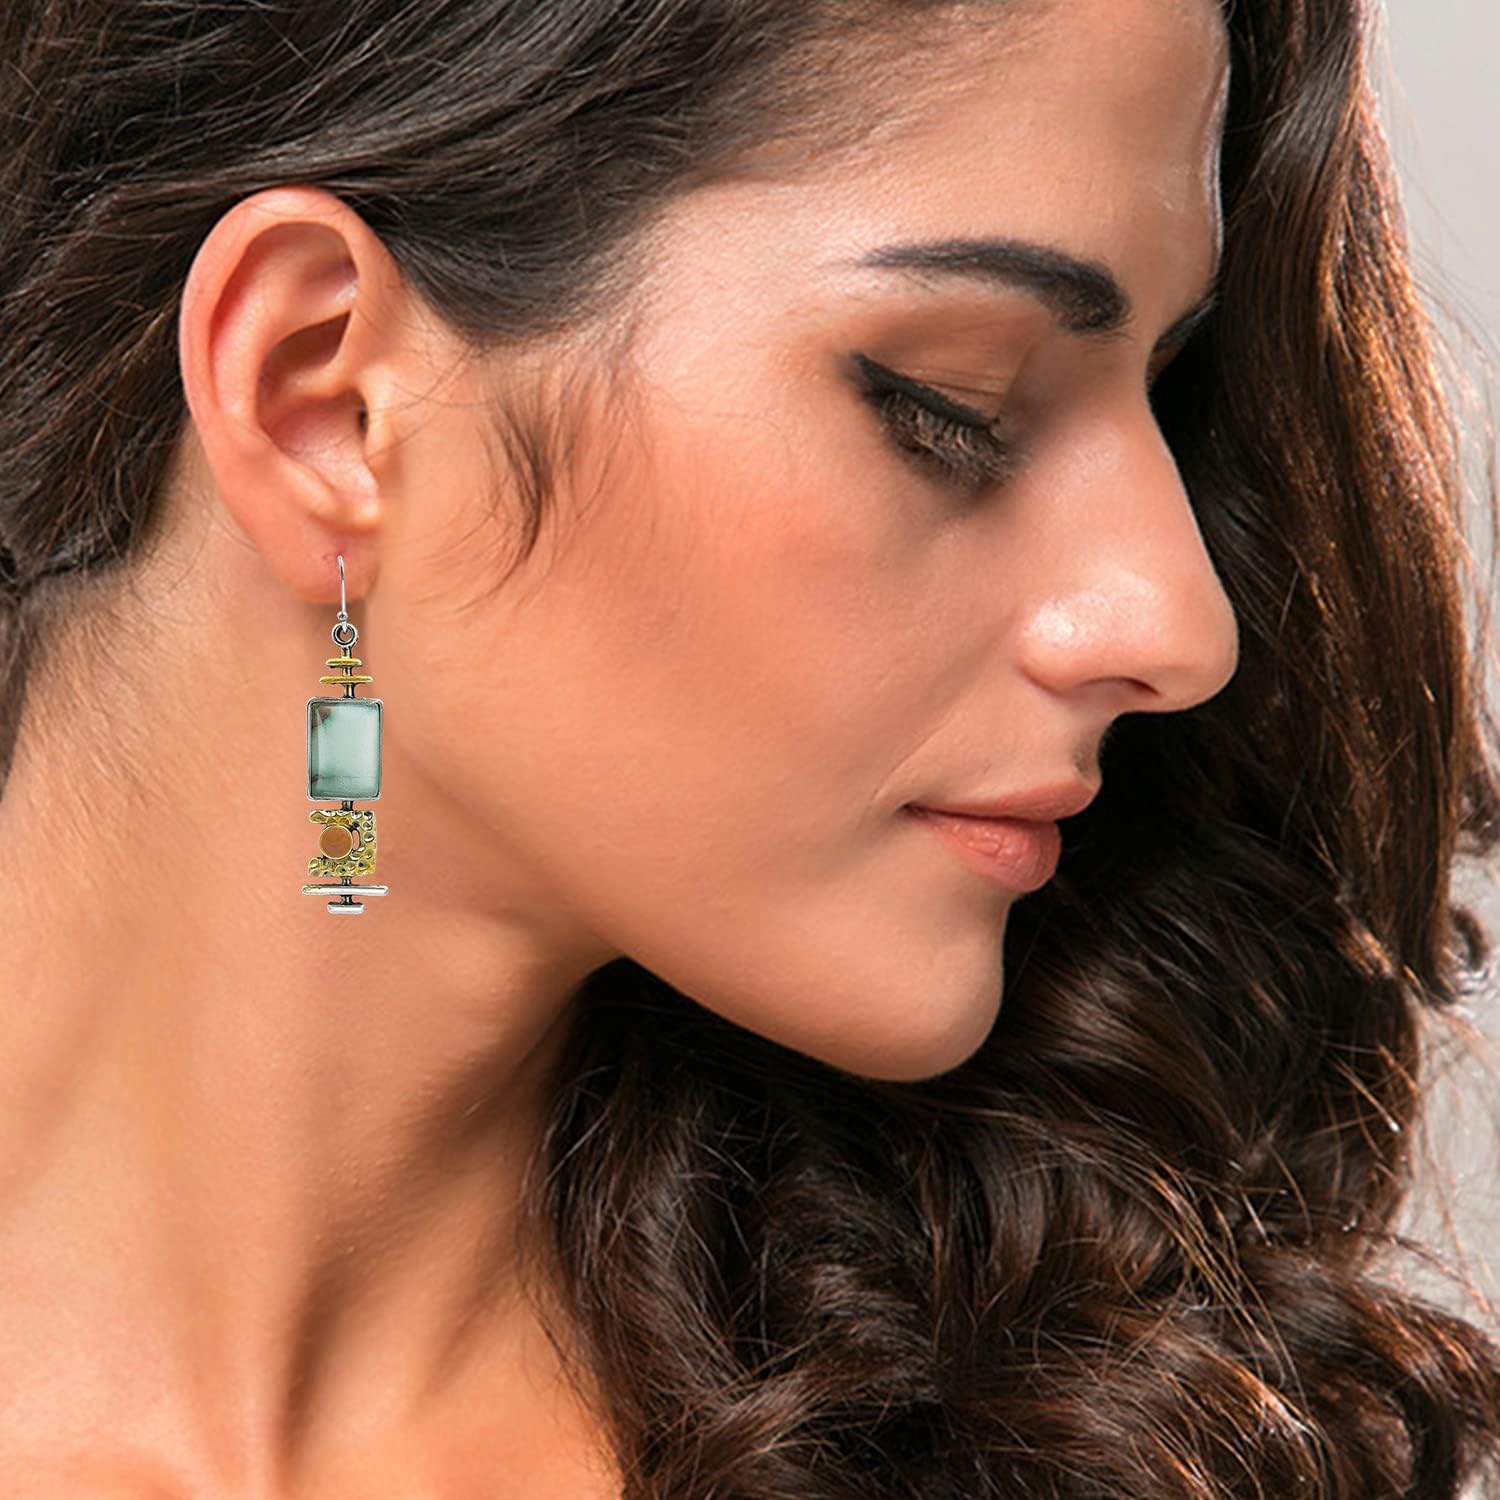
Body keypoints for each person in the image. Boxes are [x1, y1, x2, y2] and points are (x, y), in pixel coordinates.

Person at [0, 0, 1496, 1494]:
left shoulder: (1100, 1437)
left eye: (1165, 403)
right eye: (954, 410)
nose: (1180, 622)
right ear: (323, 399)